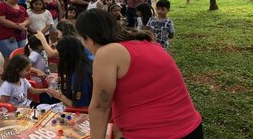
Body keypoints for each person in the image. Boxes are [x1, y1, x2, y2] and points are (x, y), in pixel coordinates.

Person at [75, 9, 203, 139]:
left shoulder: (107, 52)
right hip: (191, 128)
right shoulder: (146, 43)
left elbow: (100, 105)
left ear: (88, 37)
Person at [47, 36, 93, 107]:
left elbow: (80, 107)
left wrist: (59, 96)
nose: (58, 58)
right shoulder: (85, 62)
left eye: (60, 55)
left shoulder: (80, 76)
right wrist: (64, 78)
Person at [0, 0, 30, 66]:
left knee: (20, 58)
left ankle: (16, 77)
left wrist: (23, 24)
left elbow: (28, 19)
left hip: (21, 36)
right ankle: (7, 77)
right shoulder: (2, 6)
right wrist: (18, 26)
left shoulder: (21, 7)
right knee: (10, 59)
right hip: (6, 36)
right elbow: (1, 19)